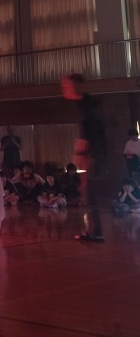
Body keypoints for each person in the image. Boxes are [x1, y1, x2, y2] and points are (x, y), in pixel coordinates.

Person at [61, 73, 106, 242]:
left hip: (91, 157)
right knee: (86, 193)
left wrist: (79, 154)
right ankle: (93, 231)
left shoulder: (87, 108)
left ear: (76, 86)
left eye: (67, 86)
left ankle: (95, 232)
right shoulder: (86, 107)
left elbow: (88, 135)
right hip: (92, 156)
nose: (64, 89)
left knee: (88, 193)